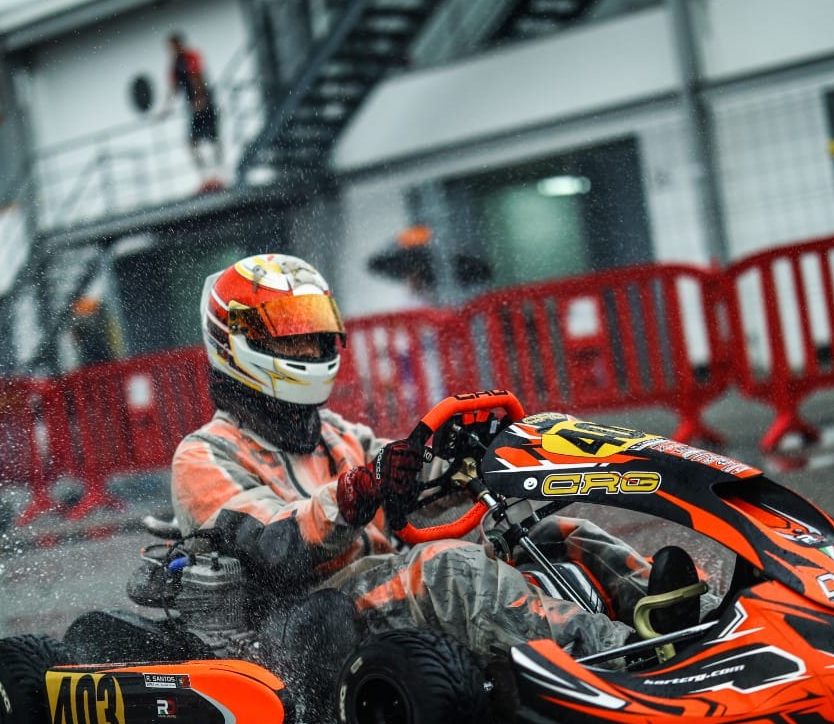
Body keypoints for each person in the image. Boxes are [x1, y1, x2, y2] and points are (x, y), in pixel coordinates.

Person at [170, 254, 651, 663]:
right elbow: (275, 545)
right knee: (447, 569)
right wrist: (355, 493)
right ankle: (623, 659)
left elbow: (403, 473)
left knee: (549, 534)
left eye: (314, 335)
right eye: (289, 337)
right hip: (304, 625)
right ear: (233, 341)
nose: (308, 349)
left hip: (379, 587)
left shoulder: (337, 435)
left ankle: (682, 614)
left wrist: (471, 460)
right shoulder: (203, 455)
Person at [160, 32, 222, 185]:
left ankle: (218, 174)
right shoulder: (175, 65)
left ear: (179, 45)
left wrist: (199, 98)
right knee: (193, 142)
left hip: (205, 103)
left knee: (213, 138)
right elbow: (174, 88)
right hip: (195, 106)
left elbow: (197, 77)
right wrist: (166, 110)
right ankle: (206, 177)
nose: (171, 51)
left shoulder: (191, 57)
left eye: (172, 47)